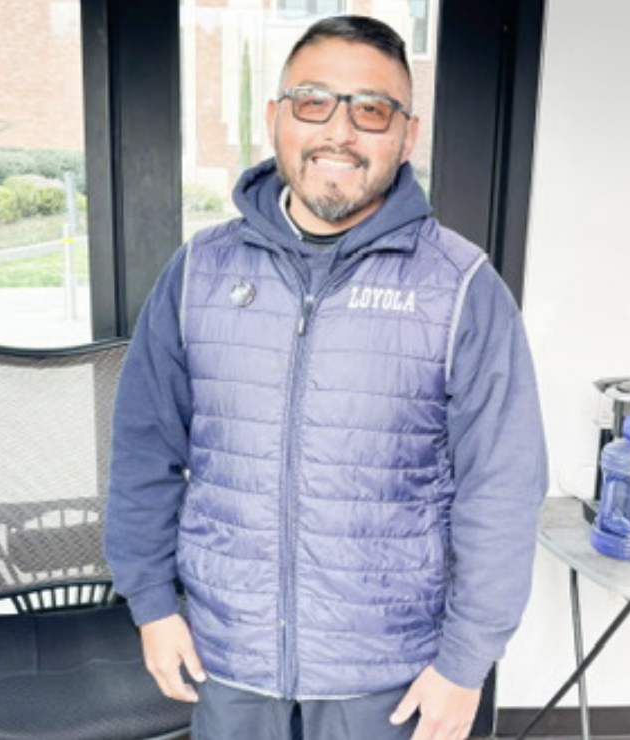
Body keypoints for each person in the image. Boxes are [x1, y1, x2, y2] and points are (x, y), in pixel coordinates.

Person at [105, 14, 548, 740]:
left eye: (372, 110)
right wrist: (152, 603)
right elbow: (143, 450)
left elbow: (502, 486)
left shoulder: (462, 287)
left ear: (408, 135)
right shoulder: (199, 273)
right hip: (229, 657)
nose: (340, 131)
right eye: (314, 101)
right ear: (277, 118)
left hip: (392, 677)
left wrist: (466, 663)